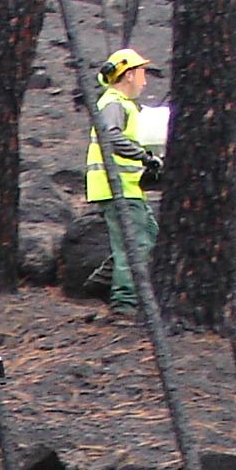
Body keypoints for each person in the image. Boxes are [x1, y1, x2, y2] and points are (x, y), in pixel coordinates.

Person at [87, 48, 163, 320]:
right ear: (129, 75)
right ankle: (124, 306)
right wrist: (145, 157)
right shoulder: (114, 103)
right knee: (134, 246)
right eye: (142, 73)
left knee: (150, 239)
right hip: (118, 188)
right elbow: (111, 137)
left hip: (128, 188)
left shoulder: (122, 104)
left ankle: (100, 283)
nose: (144, 80)